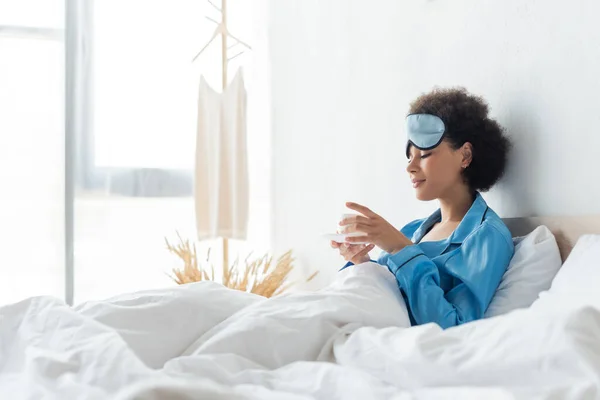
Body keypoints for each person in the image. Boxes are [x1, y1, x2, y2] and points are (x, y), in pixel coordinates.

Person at [331, 87, 514, 329]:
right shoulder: (414, 230)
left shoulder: (487, 237)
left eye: (425, 154)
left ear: (465, 155)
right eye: (409, 157)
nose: (410, 167)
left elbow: (454, 327)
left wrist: (399, 247)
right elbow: (384, 297)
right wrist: (360, 260)